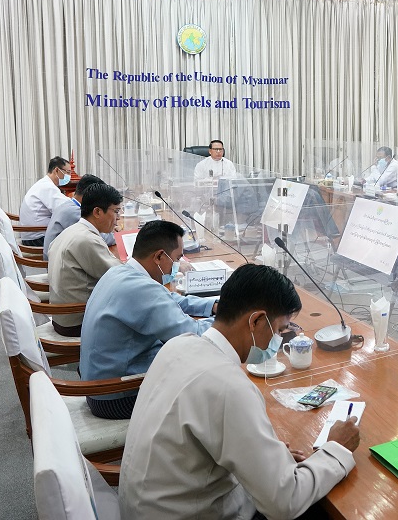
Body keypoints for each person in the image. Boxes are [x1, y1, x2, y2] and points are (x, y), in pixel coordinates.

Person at [119, 264, 360, 520]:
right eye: (279, 330)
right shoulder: (228, 386)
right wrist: (335, 450)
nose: (277, 342)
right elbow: (284, 503)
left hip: (146, 508)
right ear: (256, 321)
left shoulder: (178, 346)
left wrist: (260, 458)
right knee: (323, 509)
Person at [79, 220, 217, 419]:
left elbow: (168, 299)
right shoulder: (141, 288)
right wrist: (230, 319)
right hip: (118, 397)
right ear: (159, 256)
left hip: (100, 388)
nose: (177, 266)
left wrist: (211, 306)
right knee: (208, 387)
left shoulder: (121, 272)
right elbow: (192, 334)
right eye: (177, 258)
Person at [46, 183, 124, 337]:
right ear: (97, 212)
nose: (118, 218)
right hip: (78, 321)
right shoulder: (86, 239)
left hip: (63, 317)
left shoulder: (72, 231)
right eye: (115, 211)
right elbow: (121, 277)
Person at [42, 174, 114, 259]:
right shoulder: (73, 212)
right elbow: (98, 238)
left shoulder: (69, 205)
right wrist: (115, 235)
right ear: (89, 196)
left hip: (59, 256)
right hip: (57, 261)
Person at [19, 156, 72, 245]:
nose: (69, 176)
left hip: (33, 235)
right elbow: (65, 209)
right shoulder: (47, 187)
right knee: (76, 241)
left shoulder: (44, 184)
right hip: (38, 238)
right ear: (56, 170)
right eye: (68, 172)